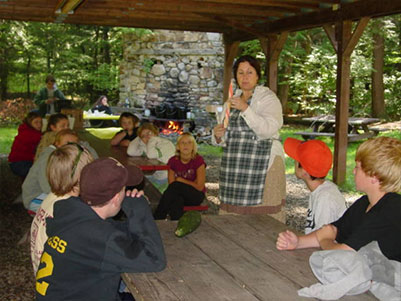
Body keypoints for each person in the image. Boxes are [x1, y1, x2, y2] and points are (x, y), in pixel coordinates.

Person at [35, 157, 166, 300]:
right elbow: (155, 260)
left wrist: (132, 216)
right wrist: (139, 209)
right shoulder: (99, 235)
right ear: (116, 198)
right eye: (124, 189)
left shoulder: (71, 215)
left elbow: (114, 233)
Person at [276, 137, 401, 263]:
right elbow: (333, 230)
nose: (353, 171)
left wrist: (325, 241)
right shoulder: (365, 202)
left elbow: (345, 253)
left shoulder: (390, 210)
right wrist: (298, 242)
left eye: (357, 167)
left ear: (374, 177)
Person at [212, 55, 285, 220]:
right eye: (240, 73)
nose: (244, 77)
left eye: (249, 72)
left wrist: (246, 109)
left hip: (263, 165)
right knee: (233, 218)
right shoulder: (230, 102)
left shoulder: (268, 99)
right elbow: (225, 137)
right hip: (235, 167)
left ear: (258, 76)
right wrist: (218, 135)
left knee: (262, 219)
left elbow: (268, 129)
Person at [30, 143, 94, 274]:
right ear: (82, 175)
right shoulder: (71, 210)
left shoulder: (53, 197)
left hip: (45, 279)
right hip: (62, 284)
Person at [283, 137, 346, 234]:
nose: (294, 162)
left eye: (296, 160)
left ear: (305, 172)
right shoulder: (321, 191)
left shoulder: (325, 198)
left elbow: (323, 239)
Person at [22, 129, 79, 214]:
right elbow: (46, 186)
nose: (70, 146)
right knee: (69, 209)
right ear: (57, 144)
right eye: (67, 143)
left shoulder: (62, 156)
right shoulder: (48, 158)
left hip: (49, 193)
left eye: (74, 144)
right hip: (35, 197)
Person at [153, 132, 206, 220]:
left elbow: (199, 187)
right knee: (177, 200)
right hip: (178, 194)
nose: (186, 145)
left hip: (195, 196)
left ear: (193, 146)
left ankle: (158, 217)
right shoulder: (173, 161)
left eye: (189, 143)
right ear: (178, 146)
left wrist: (182, 180)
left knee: (176, 186)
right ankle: (176, 224)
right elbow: (171, 185)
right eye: (183, 143)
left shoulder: (198, 160)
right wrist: (181, 182)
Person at [8, 111, 42, 178]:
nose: (39, 125)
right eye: (36, 122)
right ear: (30, 123)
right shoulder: (30, 134)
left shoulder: (25, 131)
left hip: (18, 162)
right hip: (20, 163)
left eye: (40, 122)